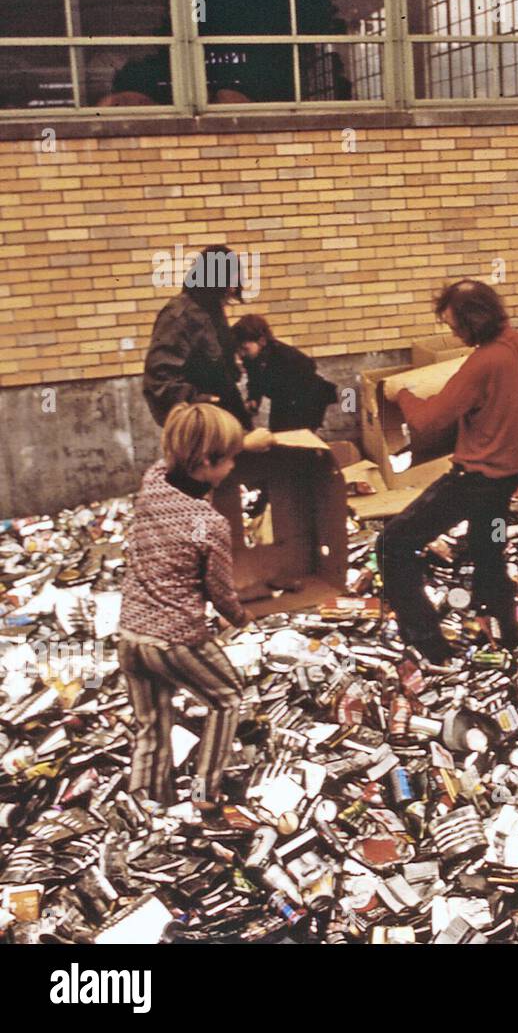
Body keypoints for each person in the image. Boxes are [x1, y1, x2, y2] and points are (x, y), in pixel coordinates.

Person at [378, 280, 518, 661]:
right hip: (509, 477)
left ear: (474, 321)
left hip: (474, 481)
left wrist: (402, 394)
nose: (454, 334)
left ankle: (427, 643)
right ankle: (508, 634)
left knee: (393, 544)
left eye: (455, 326)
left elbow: (427, 420)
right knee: (488, 552)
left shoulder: (483, 362)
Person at [117, 403, 271, 812]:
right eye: (230, 458)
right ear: (205, 462)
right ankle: (204, 793)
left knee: (152, 726)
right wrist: (243, 618)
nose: (233, 466)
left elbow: (181, 457)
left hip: (131, 636)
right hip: (176, 640)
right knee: (227, 698)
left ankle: (147, 807)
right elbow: (219, 592)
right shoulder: (208, 524)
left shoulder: (153, 482)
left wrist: (241, 442)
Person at [143, 244, 251, 432]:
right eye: (231, 280)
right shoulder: (179, 315)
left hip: (222, 415)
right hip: (202, 421)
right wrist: (198, 401)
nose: (233, 288)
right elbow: (160, 378)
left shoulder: (209, 310)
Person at [232, 313, 339, 433]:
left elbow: (309, 366)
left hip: (309, 399)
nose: (241, 354)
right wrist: (253, 399)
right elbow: (255, 381)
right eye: (238, 349)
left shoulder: (286, 356)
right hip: (283, 399)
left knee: (297, 435)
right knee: (279, 432)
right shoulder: (251, 358)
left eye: (245, 349)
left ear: (262, 341)